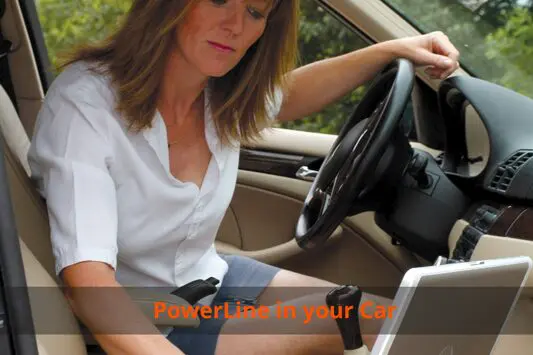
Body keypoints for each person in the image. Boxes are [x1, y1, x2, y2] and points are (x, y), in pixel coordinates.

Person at [27, 0, 460, 354]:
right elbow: (90, 287)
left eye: (255, 12)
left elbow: (287, 93)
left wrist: (390, 51)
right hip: (149, 319)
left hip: (211, 276)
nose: (235, 24)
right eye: (219, 0)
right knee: (338, 322)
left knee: (390, 320)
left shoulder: (220, 91)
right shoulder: (85, 106)